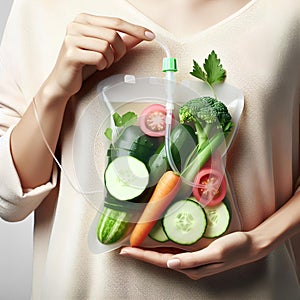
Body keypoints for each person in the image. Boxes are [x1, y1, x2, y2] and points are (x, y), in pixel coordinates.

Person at [0, 0, 300, 298]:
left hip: (252, 288)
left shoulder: (289, 11)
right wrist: (55, 90)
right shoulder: (43, 6)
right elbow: (9, 201)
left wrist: (259, 242)